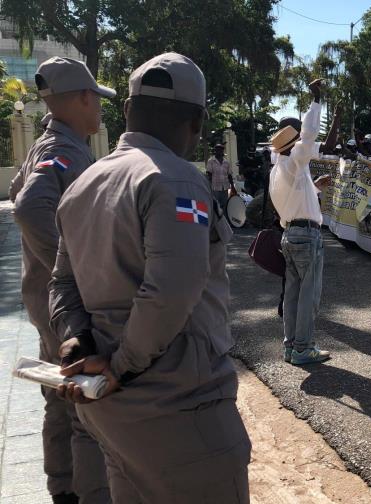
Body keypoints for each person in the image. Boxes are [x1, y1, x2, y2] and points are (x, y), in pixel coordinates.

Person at [50, 53, 250, 503]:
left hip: (111, 411)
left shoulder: (84, 182)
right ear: (197, 123)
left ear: (125, 112)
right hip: (180, 409)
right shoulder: (177, 180)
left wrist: (77, 337)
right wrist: (121, 367)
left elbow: (62, 284)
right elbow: (171, 290)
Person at [11, 56, 112, 504]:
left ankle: (62, 488)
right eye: (97, 101)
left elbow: (17, 189)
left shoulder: (47, 145)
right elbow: (29, 205)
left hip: (42, 302)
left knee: (58, 395)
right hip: (62, 308)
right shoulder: (64, 151)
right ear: (84, 97)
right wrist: (69, 271)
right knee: (82, 410)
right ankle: (82, 493)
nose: (100, 110)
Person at [269, 78, 333, 366]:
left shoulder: (279, 169)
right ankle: (304, 348)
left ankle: (291, 346)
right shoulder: (295, 163)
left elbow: (295, 201)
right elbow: (308, 136)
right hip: (306, 237)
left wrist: (315, 187)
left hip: (290, 236)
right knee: (309, 296)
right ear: (293, 146)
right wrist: (316, 100)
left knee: (293, 296)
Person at [206, 143, 234, 207]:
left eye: (221, 150)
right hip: (215, 188)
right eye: (217, 150)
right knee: (216, 205)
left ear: (222, 151)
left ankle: (223, 216)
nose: (219, 151)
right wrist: (209, 186)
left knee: (224, 205)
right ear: (215, 151)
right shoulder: (211, 161)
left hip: (225, 187)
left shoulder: (226, 162)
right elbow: (209, 174)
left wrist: (232, 185)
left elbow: (229, 175)